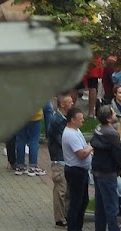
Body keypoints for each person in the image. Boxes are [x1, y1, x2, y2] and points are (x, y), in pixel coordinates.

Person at [91, 104, 121, 231]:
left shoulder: (98, 128)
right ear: (109, 119)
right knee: (111, 206)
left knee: (100, 205)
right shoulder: (112, 134)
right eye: (113, 113)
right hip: (108, 172)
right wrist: (118, 169)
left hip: (97, 169)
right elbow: (117, 153)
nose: (115, 114)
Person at [63, 107, 93, 231]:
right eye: (80, 119)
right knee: (76, 202)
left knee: (83, 201)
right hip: (76, 171)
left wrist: (88, 148)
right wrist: (91, 148)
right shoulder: (70, 134)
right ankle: (73, 227)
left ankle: (78, 226)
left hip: (81, 171)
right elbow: (81, 153)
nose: (83, 121)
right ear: (72, 120)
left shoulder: (77, 131)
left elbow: (84, 147)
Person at [48, 92, 74, 229]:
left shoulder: (65, 118)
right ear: (63, 104)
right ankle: (59, 218)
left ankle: (66, 215)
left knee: (67, 190)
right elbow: (63, 141)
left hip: (67, 160)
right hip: (59, 159)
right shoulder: (57, 120)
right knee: (60, 191)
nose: (73, 104)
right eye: (70, 102)